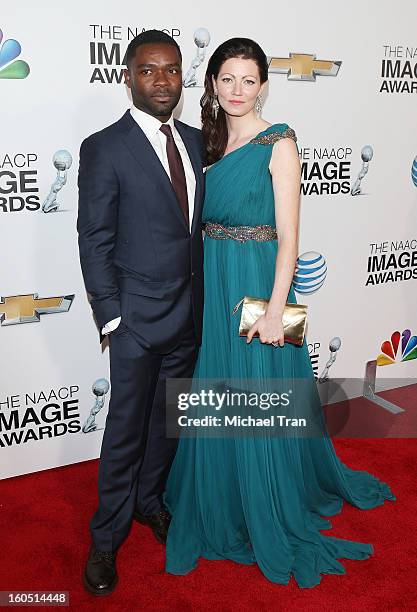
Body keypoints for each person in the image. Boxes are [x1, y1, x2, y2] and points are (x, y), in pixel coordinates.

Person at [164, 38, 395, 588]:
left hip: (258, 285)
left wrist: (275, 309)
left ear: (264, 84)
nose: (238, 90)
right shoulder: (207, 144)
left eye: (248, 80)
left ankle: (266, 500)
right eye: (227, 79)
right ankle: (221, 496)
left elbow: (290, 237)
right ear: (213, 84)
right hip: (215, 283)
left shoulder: (281, 143)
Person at [77, 30, 205, 596]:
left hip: (190, 318)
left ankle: (151, 502)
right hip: (134, 322)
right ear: (127, 76)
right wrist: (111, 318)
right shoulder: (104, 147)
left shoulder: (201, 144)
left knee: (167, 425)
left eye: (172, 70)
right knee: (125, 432)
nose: (162, 81)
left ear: (183, 77)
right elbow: (95, 239)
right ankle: (105, 540)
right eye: (149, 70)